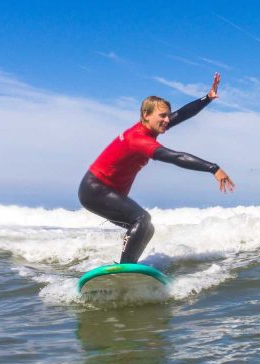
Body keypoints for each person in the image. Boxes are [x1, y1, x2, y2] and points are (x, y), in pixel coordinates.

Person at [78, 72, 234, 264]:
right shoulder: (139, 139)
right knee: (142, 219)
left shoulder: (149, 129)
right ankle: (126, 269)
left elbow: (182, 114)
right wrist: (213, 168)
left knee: (146, 228)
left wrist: (207, 98)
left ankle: (128, 267)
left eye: (167, 115)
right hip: (96, 189)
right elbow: (174, 157)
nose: (167, 120)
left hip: (101, 190)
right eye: (162, 116)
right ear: (146, 115)